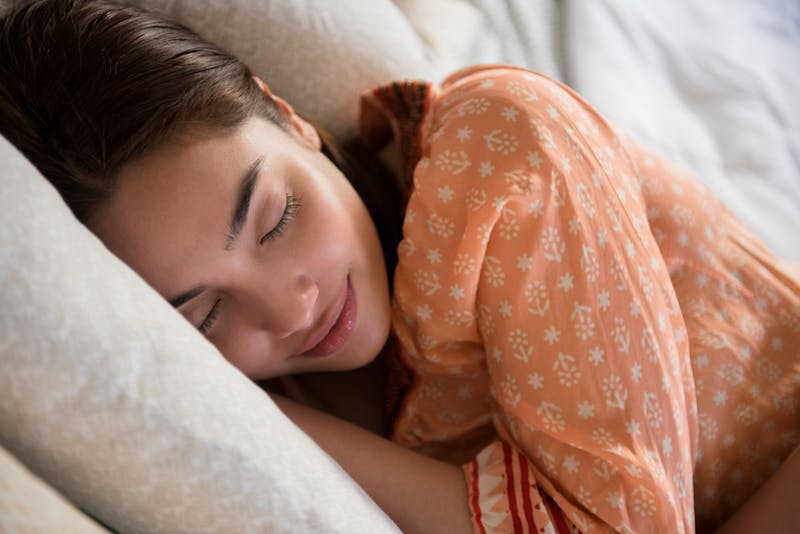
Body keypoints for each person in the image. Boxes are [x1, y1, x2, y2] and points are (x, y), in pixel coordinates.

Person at [1, 1, 798, 532]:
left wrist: (298, 427)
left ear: (288, 117)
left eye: (276, 217)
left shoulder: (499, 148)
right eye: (203, 314)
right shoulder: (278, 390)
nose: (289, 309)